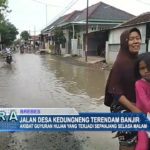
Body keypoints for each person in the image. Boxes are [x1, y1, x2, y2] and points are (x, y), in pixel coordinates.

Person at [104, 27, 142, 150]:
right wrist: (134, 109)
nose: (136, 41)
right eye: (131, 39)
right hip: (123, 108)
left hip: (138, 107)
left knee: (141, 141)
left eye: (138, 38)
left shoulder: (140, 61)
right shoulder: (120, 63)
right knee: (128, 144)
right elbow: (115, 92)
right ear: (124, 42)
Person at [134, 52, 150, 150]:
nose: (146, 71)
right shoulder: (139, 84)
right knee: (143, 144)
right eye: (142, 68)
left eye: (148, 67)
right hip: (143, 117)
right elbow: (147, 105)